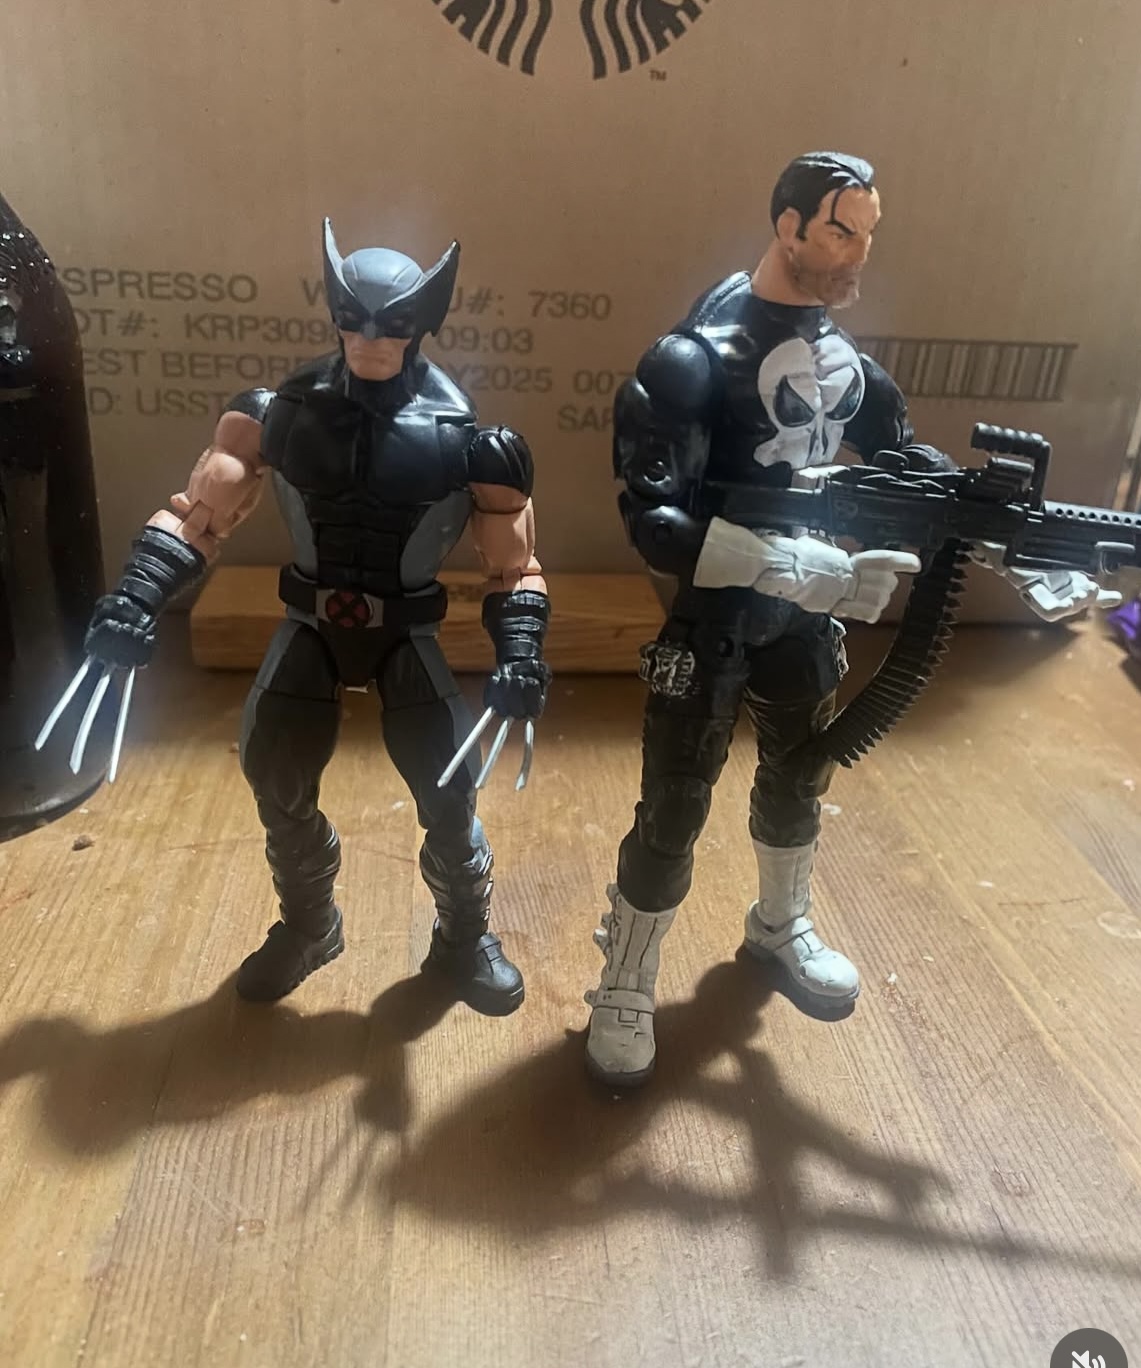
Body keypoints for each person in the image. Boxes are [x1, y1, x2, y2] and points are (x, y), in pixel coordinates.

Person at [585, 151, 1113, 1087]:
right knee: (673, 808)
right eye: (840, 230)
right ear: (787, 225)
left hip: (803, 627)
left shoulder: (848, 370)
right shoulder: (691, 363)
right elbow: (654, 522)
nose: (857, 254)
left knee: (799, 782)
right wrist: (797, 566)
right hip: (714, 621)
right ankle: (626, 979)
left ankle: (778, 924)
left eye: (868, 233)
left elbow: (915, 479)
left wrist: (1019, 546)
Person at [43, 222, 551, 1017]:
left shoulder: (470, 439)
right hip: (311, 621)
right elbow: (200, 515)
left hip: (404, 633)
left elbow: (514, 566)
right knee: (274, 775)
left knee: (450, 794)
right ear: (333, 310)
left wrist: (520, 652)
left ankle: (463, 938)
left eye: (390, 321)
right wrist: (137, 596)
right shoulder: (277, 413)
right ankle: (311, 925)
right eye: (352, 317)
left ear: (423, 320)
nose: (369, 336)